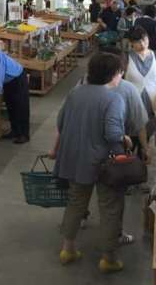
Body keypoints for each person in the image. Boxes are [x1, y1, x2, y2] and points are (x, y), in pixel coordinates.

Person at [49, 52, 129, 273]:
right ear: (113, 75)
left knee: (76, 202)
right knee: (110, 207)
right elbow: (113, 133)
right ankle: (109, 258)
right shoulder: (114, 99)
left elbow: (60, 121)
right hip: (103, 163)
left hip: (75, 158)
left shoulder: (75, 93)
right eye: (119, 73)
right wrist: (123, 141)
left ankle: (68, 249)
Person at [78, 47, 149, 246]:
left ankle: (72, 236)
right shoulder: (125, 91)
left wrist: (59, 148)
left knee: (80, 193)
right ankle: (111, 248)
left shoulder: (81, 86)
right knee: (111, 202)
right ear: (117, 70)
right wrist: (142, 147)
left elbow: (64, 123)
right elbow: (137, 124)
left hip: (83, 152)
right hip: (111, 158)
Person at [125, 26, 156, 143]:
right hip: (133, 105)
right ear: (130, 43)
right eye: (137, 42)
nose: (142, 44)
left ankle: (144, 154)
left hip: (152, 105)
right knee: (133, 138)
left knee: (148, 135)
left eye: (144, 39)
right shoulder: (126, 59)